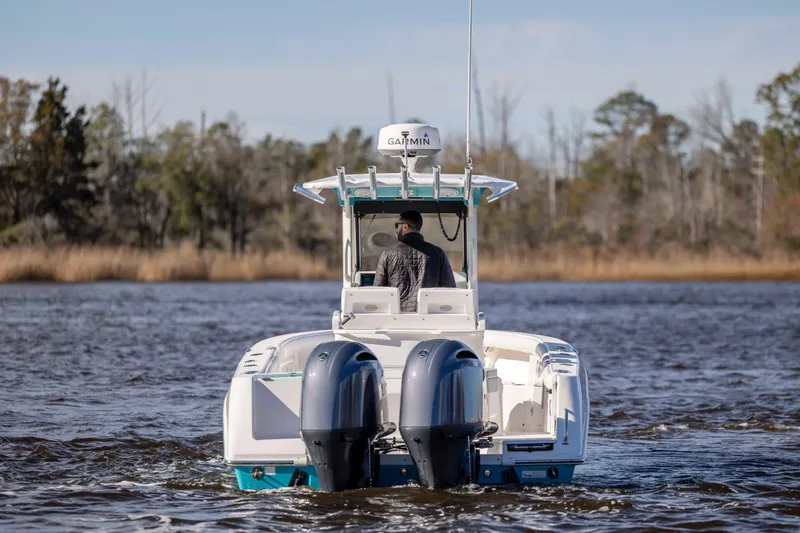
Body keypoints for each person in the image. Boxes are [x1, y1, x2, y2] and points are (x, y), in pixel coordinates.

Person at [374, 210, 456, 312]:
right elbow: (450, 290)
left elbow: (377, 291)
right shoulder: (438, 253)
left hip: (397, 319)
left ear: (405, 227)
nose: (396, 229)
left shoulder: (387, 254)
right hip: (428, 317)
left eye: (396, 225)